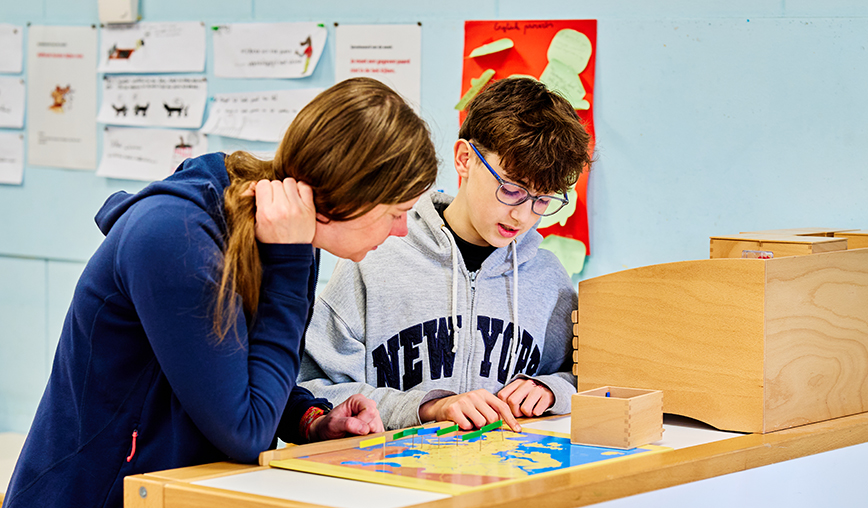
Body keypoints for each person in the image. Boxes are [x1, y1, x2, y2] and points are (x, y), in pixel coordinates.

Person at [3, 77, 438, 508]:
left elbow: (233, 374)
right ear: (350, 195)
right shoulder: (177, 237)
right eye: (396, 212)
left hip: (170, 493)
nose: (401, 231)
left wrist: (311, 420)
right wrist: (288, 265)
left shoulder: (283, 234)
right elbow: (246, 433)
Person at [298, 77, 592, 432]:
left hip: (503, 478)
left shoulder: (547, 279)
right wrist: (427, 407)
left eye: (542, 200)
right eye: (512, 190)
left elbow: (590, 375)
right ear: (465, 159)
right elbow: (312, 392)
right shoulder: (373, 258)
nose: (523, 215)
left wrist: (551, 388)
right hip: (391, 478)